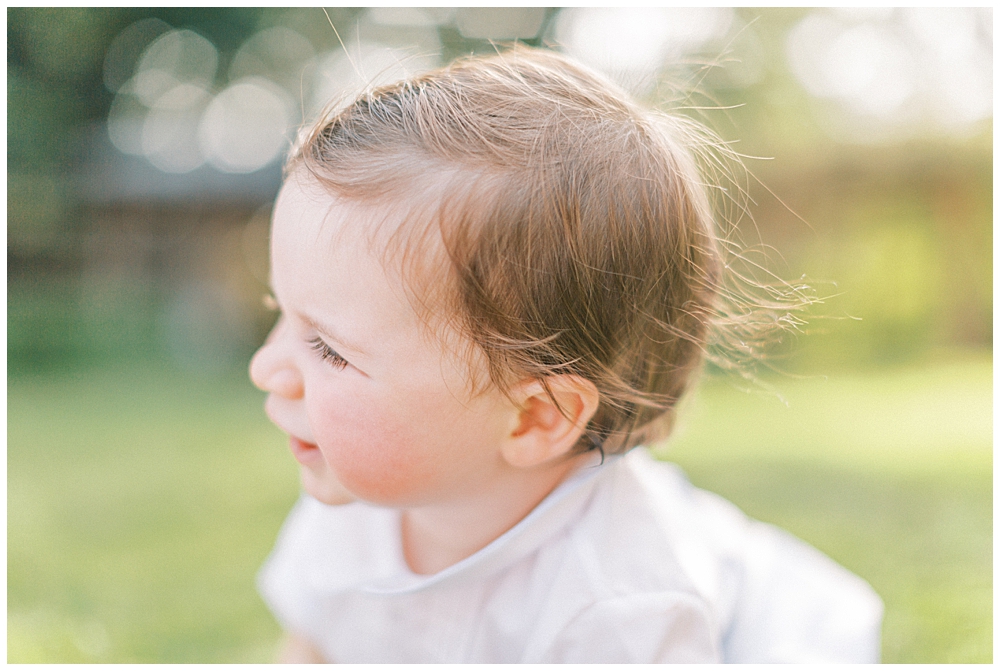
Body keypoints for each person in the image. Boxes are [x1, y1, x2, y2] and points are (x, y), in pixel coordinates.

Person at [249, 46, 882, 663]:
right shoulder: (349, 505)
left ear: (534, 418)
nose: (265, 368)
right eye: (282, 314)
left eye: (329, 349)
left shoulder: (619, 607)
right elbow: (315, 645)